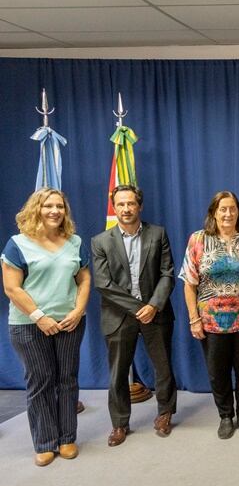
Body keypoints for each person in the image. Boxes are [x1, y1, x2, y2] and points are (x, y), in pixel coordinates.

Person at [1, 189, 90, 466]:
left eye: (60, 206)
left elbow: (84, 280)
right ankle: (44, 442)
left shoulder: (74, 242)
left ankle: (67, 438)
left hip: (69, 323)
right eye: (48, 206)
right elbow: (12, 288)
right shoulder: (17, 244)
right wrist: (40, 316)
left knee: (67, 381)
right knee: (40, 383)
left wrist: (78, 311)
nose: (55, 211)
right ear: (36, 209)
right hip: (29, 325)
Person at [92, 185, 177, 447]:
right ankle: (119, 424)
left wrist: (153, 306)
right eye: (121, 204)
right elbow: (103, 284)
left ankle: (164, 414)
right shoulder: (100, 241)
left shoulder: (158, 234)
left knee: (163, 368)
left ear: (139, 206)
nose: (126, 209)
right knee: (118, 373)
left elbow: (167, 273)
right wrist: (138, 307)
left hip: (156, 313)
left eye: (131, 203)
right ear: (114, 208)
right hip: (119, 317)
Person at [179, 191, 239, 440]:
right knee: (217, 371)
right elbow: (189, 283)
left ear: (238, 211)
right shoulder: (198, 239)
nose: (228, 214)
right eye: (223, 209)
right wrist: (193, 318)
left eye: (232, 208)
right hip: (210, 321)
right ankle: (225, 415)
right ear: (213, 212)